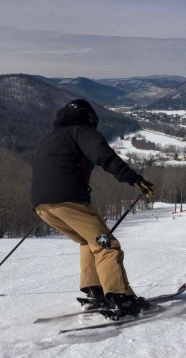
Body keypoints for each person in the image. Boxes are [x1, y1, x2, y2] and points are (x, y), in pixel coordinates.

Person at [31, 99, 155, 317]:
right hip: (68, 200)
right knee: (107, 244)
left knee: (88, 242)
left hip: (42, 205)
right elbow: (104, 156)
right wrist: (135, 180)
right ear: (89, 118)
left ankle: (95, 291)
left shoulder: (50, 138)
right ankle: (120, 298)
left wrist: (49, 201)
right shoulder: (81, 132)